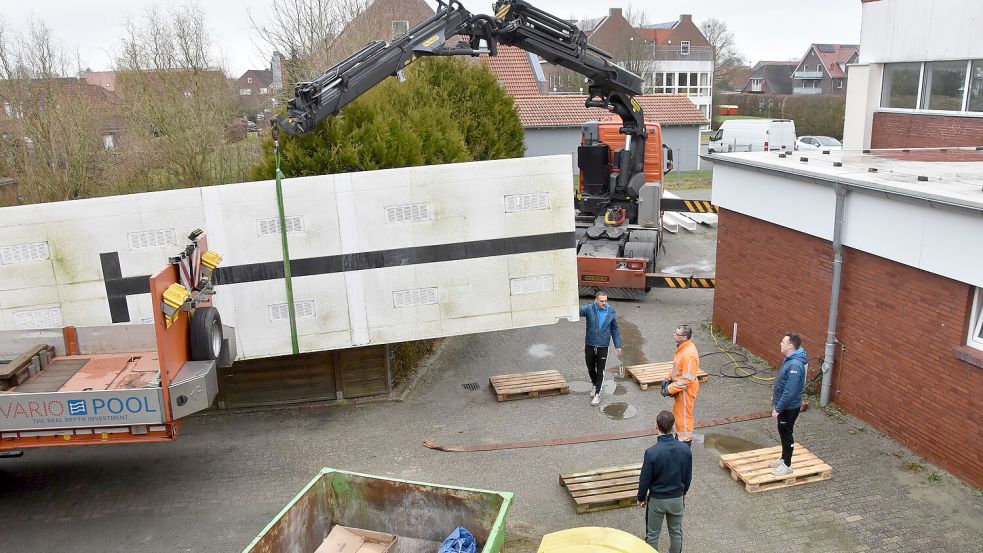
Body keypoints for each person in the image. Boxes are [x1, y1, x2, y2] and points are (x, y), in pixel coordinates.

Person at [637, 410, 692, 553]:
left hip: (657, 501)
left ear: (656, 426)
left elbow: (645, 479)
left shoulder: (651, 453)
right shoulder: (685, 449)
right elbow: (688, 475)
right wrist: (684, 492)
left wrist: (641, 498)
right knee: (676, 533)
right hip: (677, 499)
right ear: (673, 427)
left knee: (653, 535)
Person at [770, 332, 808, 476]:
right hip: (785, 404)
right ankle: (783, 458)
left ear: (791, 346)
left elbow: (790, 390)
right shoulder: (790, 359)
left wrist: (778, 407)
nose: (780, 343)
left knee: (786, 433)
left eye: (783, 342)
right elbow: (784, 384)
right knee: (782, 430)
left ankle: (787, 465)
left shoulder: (795, 364)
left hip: (789, 407)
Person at [579, 291, 622, 406]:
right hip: (590, 344)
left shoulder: (610, 311)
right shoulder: (589, 309)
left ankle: (598, 394)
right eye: (601, 301)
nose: (604, 303)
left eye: (605, 301)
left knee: (600, 370)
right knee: (590, 367)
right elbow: (575, 311)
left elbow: (615, 329)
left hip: (603, 345)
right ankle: (594, 384)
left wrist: (617, 345)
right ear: (596, 300)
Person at [666, 324, 700, 445]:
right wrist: (668, 378)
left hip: (686, 391)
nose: (674, 335)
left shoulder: (689, 355)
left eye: (677, 334)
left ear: (685, 337)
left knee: (684, 419)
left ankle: (685, 444)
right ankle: (679, 438)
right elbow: (677, 367)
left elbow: (687, 380)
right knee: (679, 416)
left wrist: (670, 389)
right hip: (680, 389)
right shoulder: (682, 348)